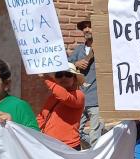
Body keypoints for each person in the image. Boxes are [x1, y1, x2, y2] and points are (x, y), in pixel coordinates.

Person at [69, 18, 104, 147]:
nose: (86, 30)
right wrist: (75, 63)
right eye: (84, 27)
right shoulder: (79, 50)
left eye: (89, 26)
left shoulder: (103, 50)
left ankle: (95, 158)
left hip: (96, 99)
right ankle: (95, 150)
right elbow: (66, 64)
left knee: (95, 135)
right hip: (80, 98)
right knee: (76, 132)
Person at [37, 63, 85, 150]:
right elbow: (42, 117)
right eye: (59, 75)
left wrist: (46, 79)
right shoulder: (52, 97)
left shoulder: (79, 95)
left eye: (68, 74)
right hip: (49, 145)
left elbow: (65, 97)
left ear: (74, 78)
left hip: (69, 146)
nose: (64, 78)